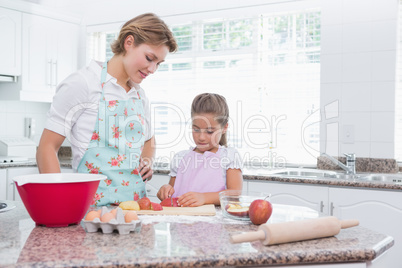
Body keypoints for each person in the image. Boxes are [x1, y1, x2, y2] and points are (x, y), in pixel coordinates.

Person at [36, 13, 178, 206]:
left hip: (137, 211)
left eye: (158, 64)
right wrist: (59, 199)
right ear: (129, 42)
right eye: (149, 58)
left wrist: (147, 160)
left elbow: (149, 139)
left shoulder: (139, 95)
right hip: (91, 211)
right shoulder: (82, 83)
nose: (153, 69)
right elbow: (47, 147)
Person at [157, 93, 243, 207]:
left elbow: (235, 194)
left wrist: (204, 197)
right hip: (181, 222)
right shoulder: (180, 158)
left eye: (210, 131)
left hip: (214, 222)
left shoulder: (229, 156)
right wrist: (165, 190)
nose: (201, 137)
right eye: (196, 129)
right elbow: (172, 193)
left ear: (224, 128)